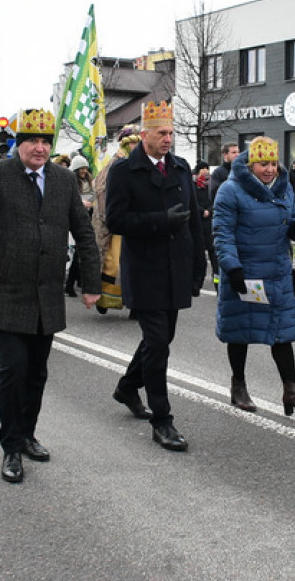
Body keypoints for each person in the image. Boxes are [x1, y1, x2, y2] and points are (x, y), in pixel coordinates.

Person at [0, 109, 100, 484]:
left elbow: (83, 232)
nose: (39, 148)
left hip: (48, 292)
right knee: (13, 369)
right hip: (8, 290)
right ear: (18, 144)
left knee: (37, 371)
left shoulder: (64, 179)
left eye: (45, 141)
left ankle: (29, 433)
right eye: (32, 141)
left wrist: (93, 284)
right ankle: (11, 447)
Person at [105, 100, 205, 452]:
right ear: (143, 135)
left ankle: (128, 386)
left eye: (170, 133)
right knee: (158, 342)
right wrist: (159, 220)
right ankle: (162, 420)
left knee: (161, 339)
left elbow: (193, 218)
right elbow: (115, 221)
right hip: (145, 270)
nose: (168, 139)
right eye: (161, 133)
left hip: (176, 268)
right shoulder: (123, 172)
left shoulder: (180, 168)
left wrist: (199, 265)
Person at [213, 137, 295, 414]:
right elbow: (222, 233)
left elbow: (292, 217)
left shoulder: (284, 189)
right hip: (246, 273)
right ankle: (239, 385)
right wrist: (231, 267)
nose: (269, 169)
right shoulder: (230, 190)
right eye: (262, 164)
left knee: (282, 332)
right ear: (250, 163)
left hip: (277, 272)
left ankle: (291, 390)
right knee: (241, 331)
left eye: (272, 163)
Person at [91, 126, 141, 312]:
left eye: (138, 143)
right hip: (116, 222)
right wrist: (111, 216)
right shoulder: (115, 164)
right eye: (133, 143)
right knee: (113, 264)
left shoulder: (140, 163)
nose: (136, 147)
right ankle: (105, 298)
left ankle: (134, 302)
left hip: (135, 222)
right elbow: (101, 189)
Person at [64, 155, 95, 297]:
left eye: (85, 168)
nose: (84, 171)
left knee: (81, 252)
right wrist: (82, 203)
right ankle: (71, 284)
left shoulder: (90, 181)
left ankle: (78, 282)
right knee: (77, 253)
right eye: (81, 168)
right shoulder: (71, 182)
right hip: (74, 219)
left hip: (88, 217)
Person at [193, 160, 219, 289]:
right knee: (199, 258)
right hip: (198, 224)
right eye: (202, 169)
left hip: (211, 225)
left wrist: (210, 210)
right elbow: (191, 202)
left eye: (207, 168)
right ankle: (197, 283)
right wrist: (202, 211)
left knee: (215, 258)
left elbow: (216, 200)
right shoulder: (193, 185)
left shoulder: (211, 185)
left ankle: (217, 283)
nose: (205, 171)